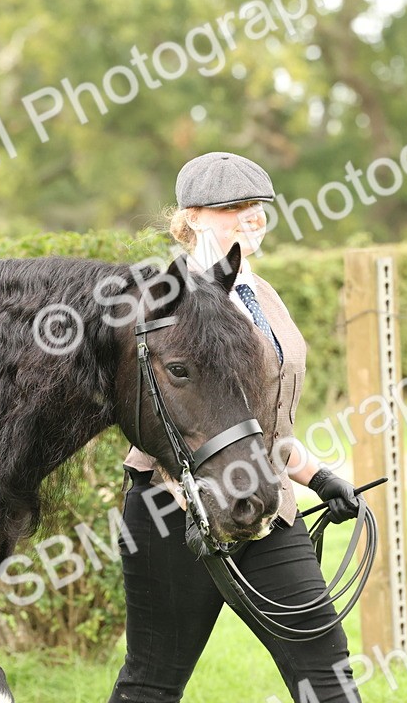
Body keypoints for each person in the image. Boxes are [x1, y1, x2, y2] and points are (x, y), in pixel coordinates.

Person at [108, 152, 363, 703]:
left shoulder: (261, 293)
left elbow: (261, 424)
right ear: (194, 217)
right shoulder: (168, 297)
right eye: (235, 208)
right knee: (154, 678)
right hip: (175, 509)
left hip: (265, 504)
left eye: (259, 207)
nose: (253, 218)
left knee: (325, 666)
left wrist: (318, 478)